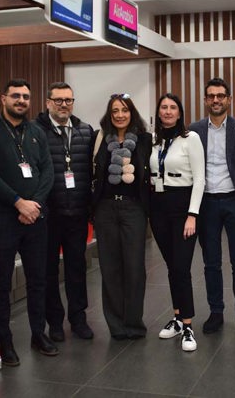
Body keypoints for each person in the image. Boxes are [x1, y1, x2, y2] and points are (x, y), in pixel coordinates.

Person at [0, 79, 57, 366]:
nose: (21, 100)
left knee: (38, 281)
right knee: (1, 283)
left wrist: (35, 205)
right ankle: (3, 341)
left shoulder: (36, 131)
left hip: (36, 218)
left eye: (26, 97)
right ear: (3, 98)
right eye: (15, 95)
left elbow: (48, 171)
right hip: (4, 218)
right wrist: (18, 202)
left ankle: (37, 334)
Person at [189, 78, 235, 338]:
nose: (216, 100)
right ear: (206, 100)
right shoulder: (194, 130)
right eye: (211, 96)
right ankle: (216, 312)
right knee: (211, 263)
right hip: (206, 203)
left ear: (229, 100)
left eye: (221, 96)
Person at [34, 82, 95, 342]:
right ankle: (55, 322)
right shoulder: (35, 132)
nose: (63, 105)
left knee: (76, 269)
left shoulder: (85, 131)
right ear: (48, 102)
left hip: (78, 213)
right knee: (48, 271)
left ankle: (78, 319)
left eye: (68, 100)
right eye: (58, 100)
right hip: (49, 215)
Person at [91, 94, 151, 340]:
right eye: (115, 110)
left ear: (131, 112)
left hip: (133, 209)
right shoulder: (100, 138)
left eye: (124, 110)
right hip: (105, 209)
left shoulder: (145, 139)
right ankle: (116, 325)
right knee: (110, 267)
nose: (119, 115)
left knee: (135, 267)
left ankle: (133, 323)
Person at [150, 93, 205, 352]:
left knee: (182, 268)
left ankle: (188, 325)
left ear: (180, 112)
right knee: (172, 267)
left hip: (183, 208)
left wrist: (192, 214)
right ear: (158, 112)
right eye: (164, 107)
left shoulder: (190, 138)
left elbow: (200, 179)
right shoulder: (154, 140)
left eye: (173, 107)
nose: (168, 111)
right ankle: (177, 316)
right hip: (159, 207)